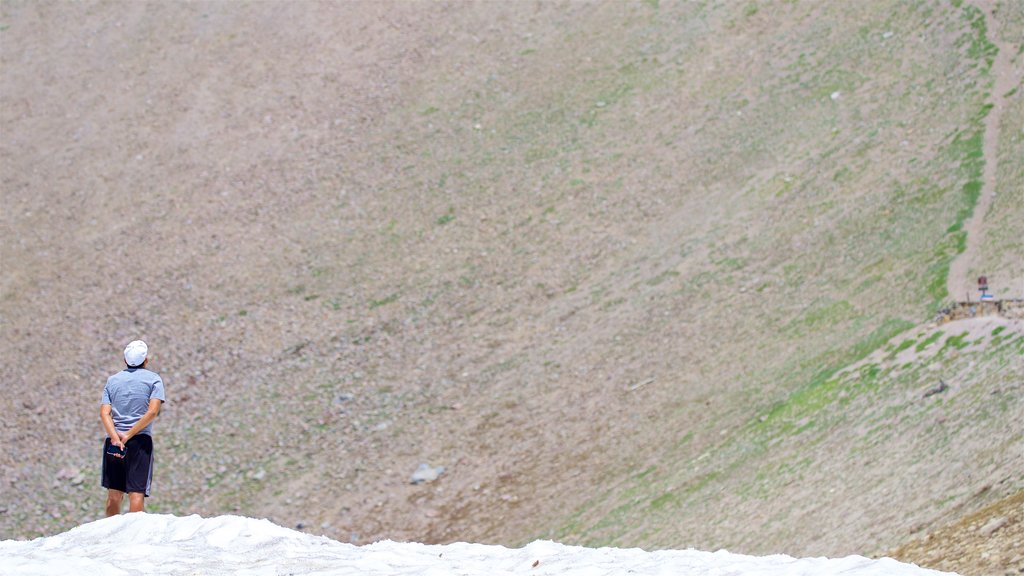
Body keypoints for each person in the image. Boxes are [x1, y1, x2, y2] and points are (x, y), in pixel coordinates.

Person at [100, 340, 166, 516]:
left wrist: (115, 437)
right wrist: (129, 434)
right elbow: (152, 412)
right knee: (136, 494)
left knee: (114, 493)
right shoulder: (154, 380)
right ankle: (133, 540)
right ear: (146, 360)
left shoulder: (112, 381)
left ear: (125, 359)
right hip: (139, 440)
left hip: (113, 441)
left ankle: (110, 534)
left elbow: (105, 413)